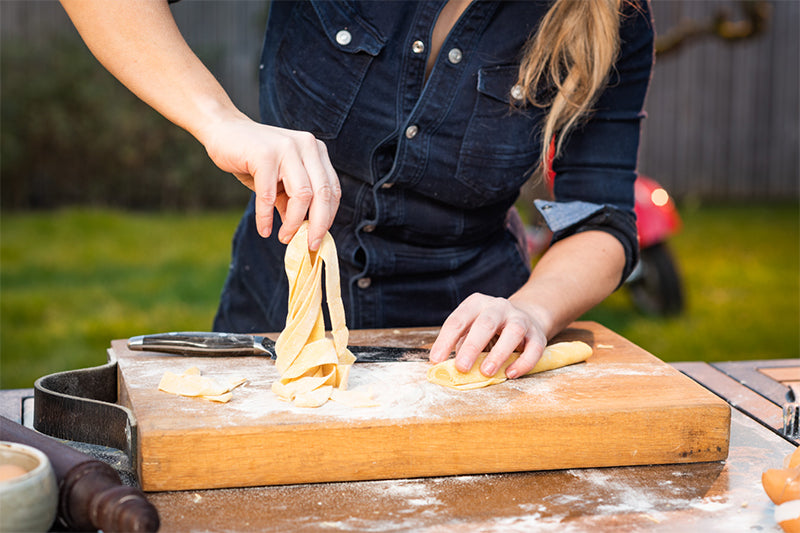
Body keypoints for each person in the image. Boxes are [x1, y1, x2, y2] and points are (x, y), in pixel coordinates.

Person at [59, 0, 654, 380]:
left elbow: (599, 220)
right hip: (269, 321)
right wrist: (220, 121)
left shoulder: (611, 18)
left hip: (468, 353)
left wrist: (531, 309)